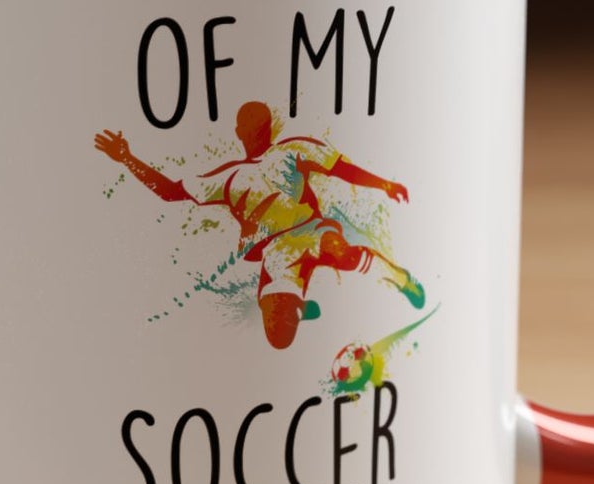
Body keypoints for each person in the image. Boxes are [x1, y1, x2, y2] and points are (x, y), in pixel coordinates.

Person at [95, 100, 424, 350]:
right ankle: (295, 306)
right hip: (278, 254)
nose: (253, 130)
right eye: (248, 125)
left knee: (338, 250)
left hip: (312, 230)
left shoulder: (293, 151)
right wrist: (127, 159)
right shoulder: (228, 178)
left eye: (258, 123)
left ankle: (399, 278)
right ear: (239, 132)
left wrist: (384, 185)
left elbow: (339, 168)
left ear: (268, 127)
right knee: (279, 339)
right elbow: (170, 192)